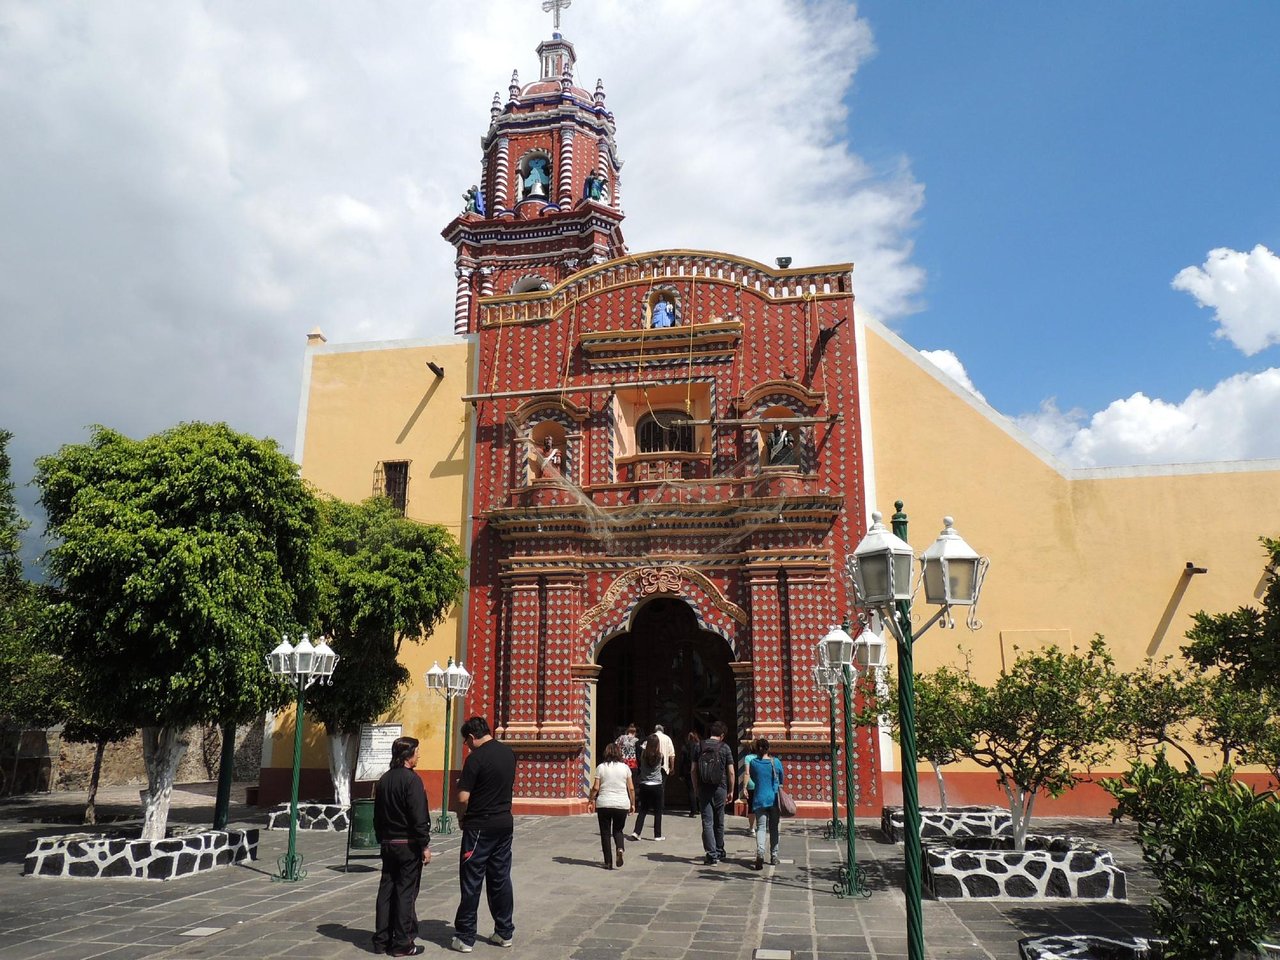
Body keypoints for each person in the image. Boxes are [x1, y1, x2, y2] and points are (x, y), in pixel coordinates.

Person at [451, 717, 516, 953]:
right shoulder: (508, 753)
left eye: (466, 742)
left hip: (479, 825)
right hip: (504, 823)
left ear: (470, 737)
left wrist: (461, 817)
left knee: (472, 880)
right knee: (500, 878)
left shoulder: (475, 758)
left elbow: (462, 797)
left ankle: (466, 937)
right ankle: (504, 931)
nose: (467, 746)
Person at [372, 736, 432, 958]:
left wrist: (381, 837)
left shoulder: (384, 779)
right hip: (407, 844)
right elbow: (418, 816)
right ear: (408, 756)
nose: (419, 755)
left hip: (388, 843)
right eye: (417, 751)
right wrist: (424, 844)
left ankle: (381, 940)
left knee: (386, 891)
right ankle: (402, 942)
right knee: (405, 893)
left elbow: (377, 814)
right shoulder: (412, 781)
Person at [692, 721, 735, 865]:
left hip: (704, 787)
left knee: (707, 821)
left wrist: (696, 787)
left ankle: (711, 855)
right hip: (720, 787)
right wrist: (731, 790)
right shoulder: (725, 748)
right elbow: (731, 772)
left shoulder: (699, 746)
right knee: (719, 820)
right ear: (722, 735)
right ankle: (719, 849)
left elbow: (693, 770)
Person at [588, 742, 635, 869]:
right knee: (618, 830)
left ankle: (608, 862)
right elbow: (631, 788)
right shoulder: (625, 768)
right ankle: (620, 848)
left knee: (605, 832)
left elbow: (596, 787)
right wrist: (633, 803)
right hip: (621, 803)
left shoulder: (601, 767)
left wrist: (591, 799)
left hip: (604, 803)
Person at [747, 738, 784, 870]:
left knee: (761, 827)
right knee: (774, 828)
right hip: (774, 799)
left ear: (756, 749)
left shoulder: (753, 763)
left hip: (759, 798)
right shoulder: (776, 762)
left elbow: (753, 777)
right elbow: (781, 779)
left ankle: (760, 852)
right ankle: (774, 856)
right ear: (768, 748)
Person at [627, 735, 666, 841]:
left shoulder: (643, 754)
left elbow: (637, 743)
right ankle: (657, 835)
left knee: (643, 810)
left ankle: (636, 832)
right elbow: (662, 764)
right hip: (657, 785)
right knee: (658, 811)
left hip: (644, 784)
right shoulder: (660, 755)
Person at [738, 741, 758, 836]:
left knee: (751, 806)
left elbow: (747, 773)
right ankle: (761, 826)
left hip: (751, 784)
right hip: (761, 784)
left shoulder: (748, 758)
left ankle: (751, 828)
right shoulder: (764, 757)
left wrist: (744, 787)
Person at [680, 730, 700, 817]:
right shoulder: (699, 747)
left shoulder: (685, 747)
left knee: (691, 790)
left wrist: (680, 774)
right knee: (698, 789)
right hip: (698, 770)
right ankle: (699, 809)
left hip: (688, 771)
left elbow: (681, 761)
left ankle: (693, 810)